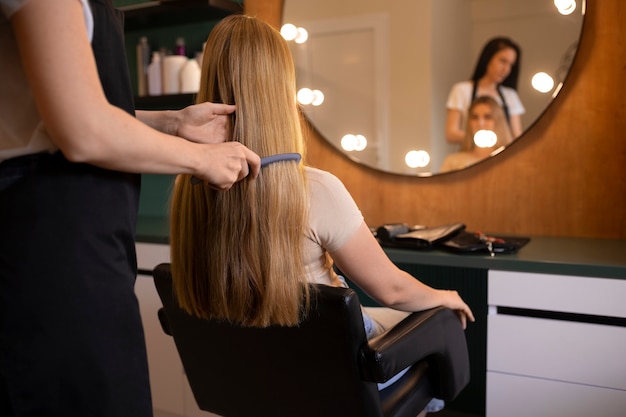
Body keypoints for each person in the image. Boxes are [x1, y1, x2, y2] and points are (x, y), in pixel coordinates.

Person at [169, 14, 475, 415]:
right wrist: (445, 298)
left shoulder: (186, 188)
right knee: (442, 322)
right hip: (331, 374)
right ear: (279, 91)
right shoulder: (314, 189)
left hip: (264, 376)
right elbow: (394, 290)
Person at [0, 1, 260, 416]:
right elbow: (82, 130)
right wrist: (201, 159)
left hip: (81, 240)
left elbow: (60, 108)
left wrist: (173, 123)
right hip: (51, 248)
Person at [445, 37, 525, 144]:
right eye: (502, 61)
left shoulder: (510, 95)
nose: (506, 69)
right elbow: (451, 133)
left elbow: (516, 136)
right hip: (471, 156)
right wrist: (483, 140)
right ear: (488, 58)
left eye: (510, 65)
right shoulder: (462, 90)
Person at [440, 96, 514, 172]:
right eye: (475, 117)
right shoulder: (453, 161)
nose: (480, 123)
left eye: (487, 117)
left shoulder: (511, 159)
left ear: (498, 121)